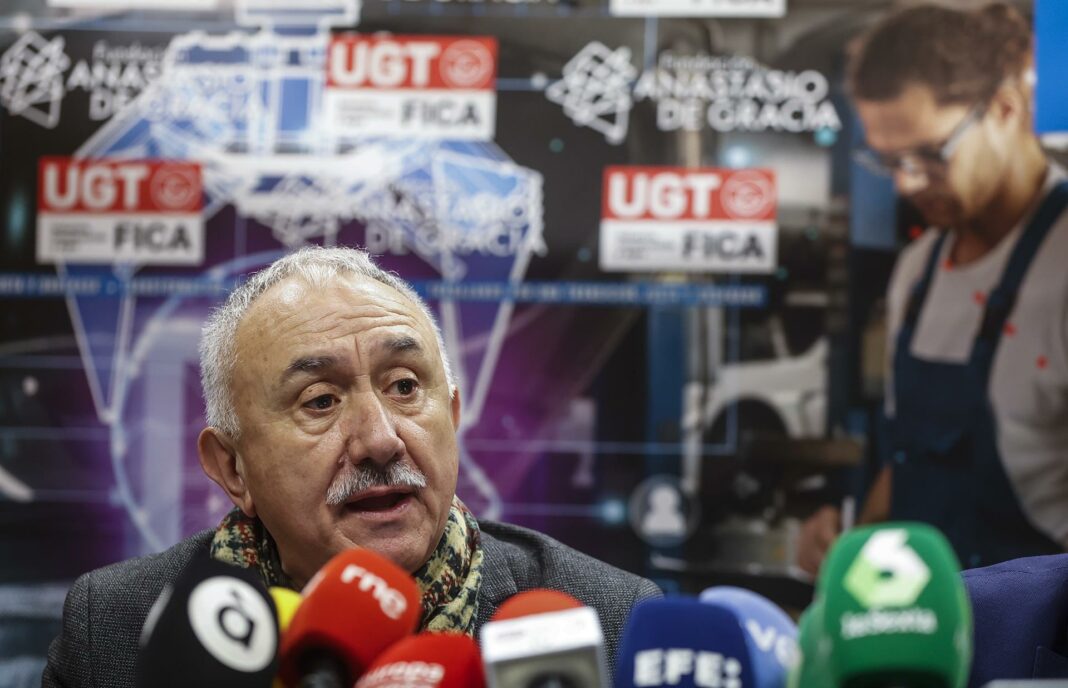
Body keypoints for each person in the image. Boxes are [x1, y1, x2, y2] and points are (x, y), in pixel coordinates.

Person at [42, 246, 661, 686]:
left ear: (451, 416)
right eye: (320, 401)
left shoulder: (607, 622)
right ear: (231, 468)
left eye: (404, 386)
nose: (380, 440)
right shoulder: (115, 629)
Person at [799, 1, 1068, 575]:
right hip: (928, 615)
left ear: (1005, 108)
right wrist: (852, 540)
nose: (906, 183)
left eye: (929, 154)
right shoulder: (918, 270)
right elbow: (914, 459)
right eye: (889, 160)